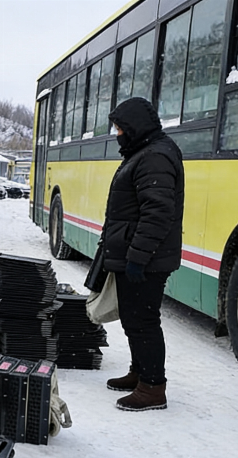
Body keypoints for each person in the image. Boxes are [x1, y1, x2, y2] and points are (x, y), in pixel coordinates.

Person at [100, 97, 185, 411]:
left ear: (135, 127)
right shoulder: (144, 151)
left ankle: (152, 388)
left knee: (143, 321)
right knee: (133, 319)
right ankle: (140, 372)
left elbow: (157, 213)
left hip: (147, 259)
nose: (118, 134)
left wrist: (137, 258)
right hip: (138, 254)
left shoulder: (155, 156)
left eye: (121, 128)